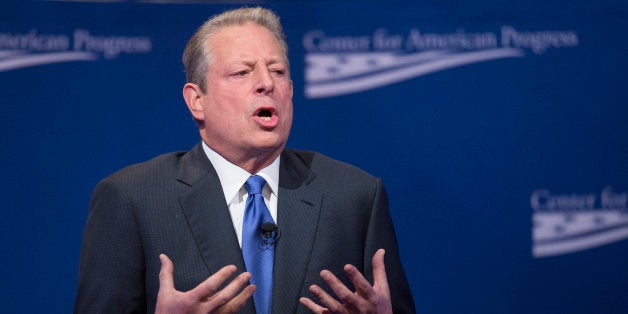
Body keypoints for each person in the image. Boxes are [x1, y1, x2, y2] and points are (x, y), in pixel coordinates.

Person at [74, 6, 415, 314]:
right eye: (242, 72)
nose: (266, 83)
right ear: (197, 100)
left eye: (278, 71)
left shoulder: (354, 196)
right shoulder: (134, 199)